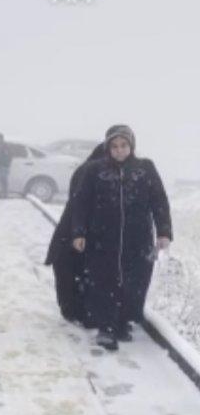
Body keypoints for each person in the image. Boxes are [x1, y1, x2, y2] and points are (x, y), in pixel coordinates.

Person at [71, 125, 172, 351]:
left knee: (134, 282)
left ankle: (123, 321)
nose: (119, 150)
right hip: (102, 238)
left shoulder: (145, 168)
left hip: (138, 239)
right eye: (114, 146)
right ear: (108, 147)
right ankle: (105, 327)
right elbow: (81, 204)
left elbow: (159, 201)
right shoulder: (95, 170)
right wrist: (78, 232)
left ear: (131, 146)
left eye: (123, 145)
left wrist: (164, 232)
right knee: (103, 281)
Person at [44, 143, 105, 327]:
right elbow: (82, 202)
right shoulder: (91, 172)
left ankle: (73, 310)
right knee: (73, 271)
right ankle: (77, 312)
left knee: (69, 272)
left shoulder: (86, 169)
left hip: (71, 230)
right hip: (77, 231)